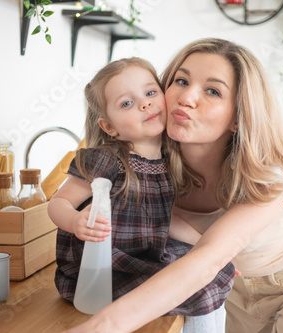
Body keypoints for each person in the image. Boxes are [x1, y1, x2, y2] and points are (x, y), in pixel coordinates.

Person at [63, 38, 283, 333]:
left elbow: (210, 257)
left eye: (213, 91)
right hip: (227, 291)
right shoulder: (144, 163)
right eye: (181, 81)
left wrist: (101, 327)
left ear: (237, 116)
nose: (187, 97)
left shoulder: (271, 164)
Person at [47, 57, 235, 329]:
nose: (145, 104)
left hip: (146, 254)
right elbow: (59, 203)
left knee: (216, 271)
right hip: (103, 268)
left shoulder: (169, 162)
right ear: (109, 127)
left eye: (150, 93)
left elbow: (165, 221)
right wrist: (75, 222)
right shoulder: (107, 160)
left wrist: (208, 248)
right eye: (127, 103)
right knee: (196, 286)